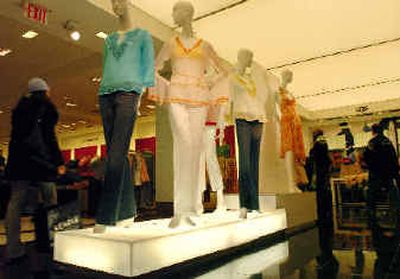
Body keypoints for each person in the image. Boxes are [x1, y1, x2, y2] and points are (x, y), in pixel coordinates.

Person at [4, 77, 65, 262]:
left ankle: (13, 250)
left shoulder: (19, 109)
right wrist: (58, 161)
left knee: (15, 203)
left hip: (19, 162)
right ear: (45, 91)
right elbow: (48, 137)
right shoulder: (46, 107)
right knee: (50, 199)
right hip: (40, 161)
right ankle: (51, 242)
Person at [364, 123, 400, 227]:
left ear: (373, 131)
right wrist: (395, 173)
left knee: (372, 195)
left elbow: (367, 158)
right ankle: (396, 213)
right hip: (388, 174)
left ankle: (372, 217)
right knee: (392, 194)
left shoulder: (372, 142)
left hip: (376, 174)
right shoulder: (388, 141)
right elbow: (393, 158)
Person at [309, 129, 333, 227]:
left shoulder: (317, 144)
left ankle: (322, 216)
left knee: (320, 195)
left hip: (319, 172)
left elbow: (313, 157)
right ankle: (327, 213)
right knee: (325, 192)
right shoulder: (324, 143)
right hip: (324, 172)